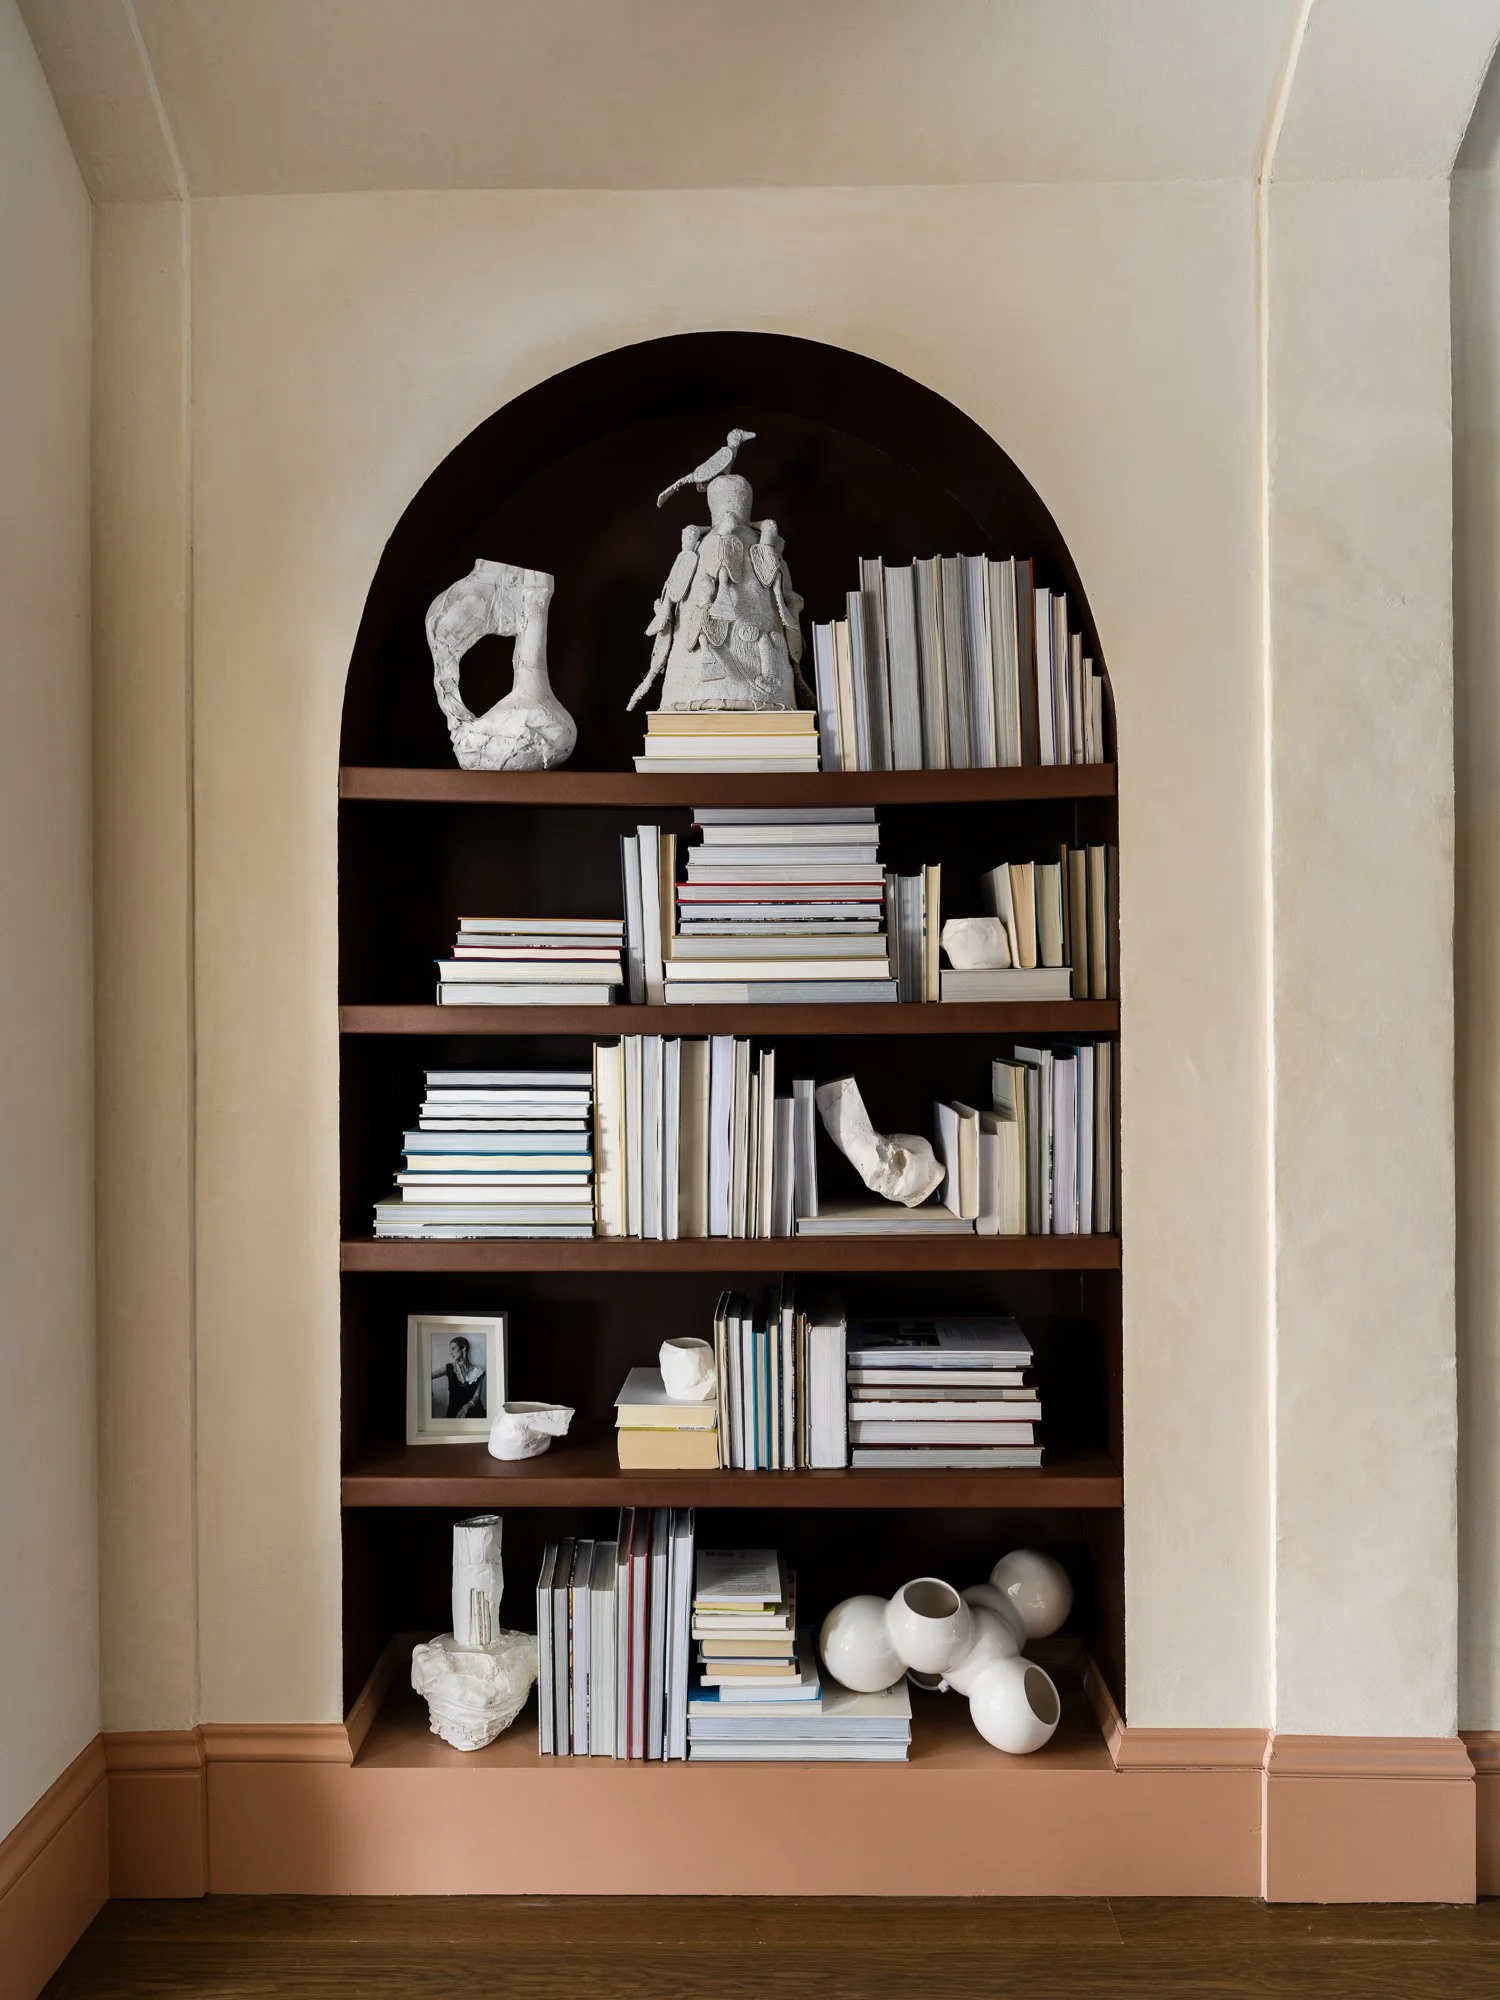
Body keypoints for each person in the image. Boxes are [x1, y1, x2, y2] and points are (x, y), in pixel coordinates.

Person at [433, 1334, 486, 1420]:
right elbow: (427, 1376)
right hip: (454, 1412)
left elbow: (476, 1396)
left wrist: (466, 1407)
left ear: (463, 1348)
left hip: (474, 1411)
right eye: (450, 1350)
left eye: (453, 1349)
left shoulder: (479, 1371)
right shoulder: (449, 1368)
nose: (450, 1353)